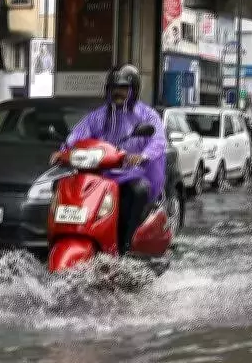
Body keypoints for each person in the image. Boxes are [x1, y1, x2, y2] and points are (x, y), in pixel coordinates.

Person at [52, 64, 166, 254]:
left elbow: (158, 141)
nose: (118, 92)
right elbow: (79, 134)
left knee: (138, 191)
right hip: (102, 174)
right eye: (114, 88)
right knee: (61, 185)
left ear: (133, 90)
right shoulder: (99, 116)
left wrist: (142, 156)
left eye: (123, 88)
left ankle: (126, 246)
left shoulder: (147, 115)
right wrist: (63, 151)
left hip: (132, 173)